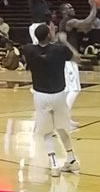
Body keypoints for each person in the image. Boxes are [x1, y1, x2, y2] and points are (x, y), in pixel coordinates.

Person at [20, 21, 80, 173]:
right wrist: (65, 41)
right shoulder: (60, 49)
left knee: (46, 132)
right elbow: (77, 58)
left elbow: (36, 46)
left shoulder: (28, 50)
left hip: (40, 95)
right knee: (61, 128)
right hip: (59, 94)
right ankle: (71, 158)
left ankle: (54, 164)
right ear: (49, 35)